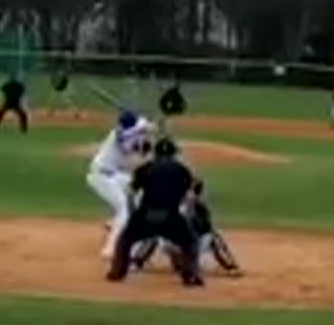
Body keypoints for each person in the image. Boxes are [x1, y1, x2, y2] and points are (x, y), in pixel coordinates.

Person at [107, 137, 204, 287]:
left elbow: (130, 193)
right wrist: (187, 217)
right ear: (173, 154)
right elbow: (192, 196)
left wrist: (134, 214)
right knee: (190, 242)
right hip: (170, 217)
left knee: (125, 239)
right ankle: (190, 275)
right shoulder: (182, 170)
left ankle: (116, 273)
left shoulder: (144, 168)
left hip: (146, 215)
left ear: (155, 153)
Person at [131, 177, 239, 275]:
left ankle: (136, 263)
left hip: (175, 245)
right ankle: (230, 267)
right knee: (214, 236)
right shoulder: (199, 206)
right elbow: (205, 228)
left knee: (154, 232)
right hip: (186, 245)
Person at [86, 110, 155, 260]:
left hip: (115, 176)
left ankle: (114, 223)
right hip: (101, 176)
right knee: (124, 210)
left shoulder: (131, 134)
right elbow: (125, 137)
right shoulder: (117, 134)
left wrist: (146, 132)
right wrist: (142, 127)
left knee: (139, 190)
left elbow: (143, 150)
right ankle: (110, 249)